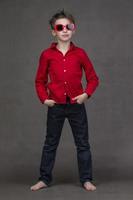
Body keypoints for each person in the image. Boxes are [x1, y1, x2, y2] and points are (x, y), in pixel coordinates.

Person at [30, 9, 99, 192]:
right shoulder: (47, 55)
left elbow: (93, 78)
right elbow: (39, 80)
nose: (65, 30)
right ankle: (44, 178)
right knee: (50, 143)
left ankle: (86, 179)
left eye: (69, 26)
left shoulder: (80, 53)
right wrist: (44, 99)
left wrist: (86, 94)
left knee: (83, 143)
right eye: (60, 27)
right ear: (54, 31)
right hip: (56, 106)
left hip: (77, 106)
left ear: (73, 29)